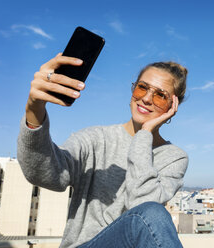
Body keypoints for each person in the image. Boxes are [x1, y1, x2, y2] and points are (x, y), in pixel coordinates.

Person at [17, 53, 188, 248]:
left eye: (160, 95)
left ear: (173, 106)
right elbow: (45, 175)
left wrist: (145, 134)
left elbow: (142, 206)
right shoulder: (96, 139)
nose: (147, 99)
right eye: (142, 88)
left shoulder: (173, 157)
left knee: (153, 213)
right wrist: (34, 109)